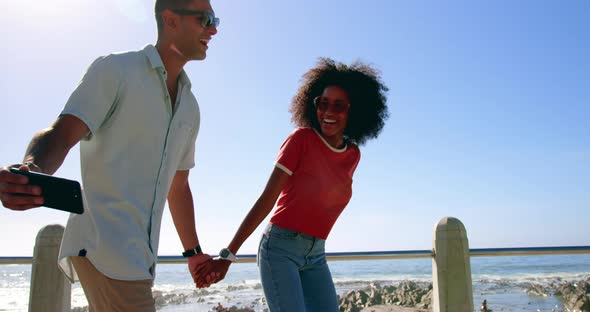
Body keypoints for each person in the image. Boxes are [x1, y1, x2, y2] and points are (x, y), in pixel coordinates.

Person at [0, 0, 219, 310]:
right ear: (170, 20)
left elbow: (178, 186)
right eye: (205, 18)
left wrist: (192, 252)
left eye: (215, 20)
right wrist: (32, 169)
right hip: (104, 247)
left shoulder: (190, 107)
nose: (213, 29)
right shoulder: (117, 70)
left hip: (139, 260)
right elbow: (60, 134)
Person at [198, 58, 389, 311]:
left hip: (316, 254)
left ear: (355, 110)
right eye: (323, 103)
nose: (328, 112)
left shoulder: (353, 154)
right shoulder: (301, 140)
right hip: (280, 250)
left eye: (339, 106)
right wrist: (228, 256)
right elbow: (267, 199)